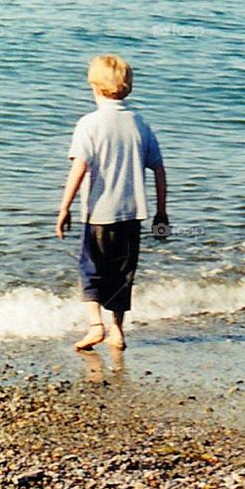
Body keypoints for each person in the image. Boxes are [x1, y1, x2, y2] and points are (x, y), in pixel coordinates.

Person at [55, 54, 167, 351]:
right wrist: (161, 213)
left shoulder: (90, 124)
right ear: (127, 87)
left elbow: (79, 168)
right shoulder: (139, 124)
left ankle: (95, 326)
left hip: (98, 215)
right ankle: (117, 330)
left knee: (91, 269)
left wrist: (64, 208)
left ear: (94, 86)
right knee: (122, 273)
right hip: (132, 215)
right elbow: (158, 169)